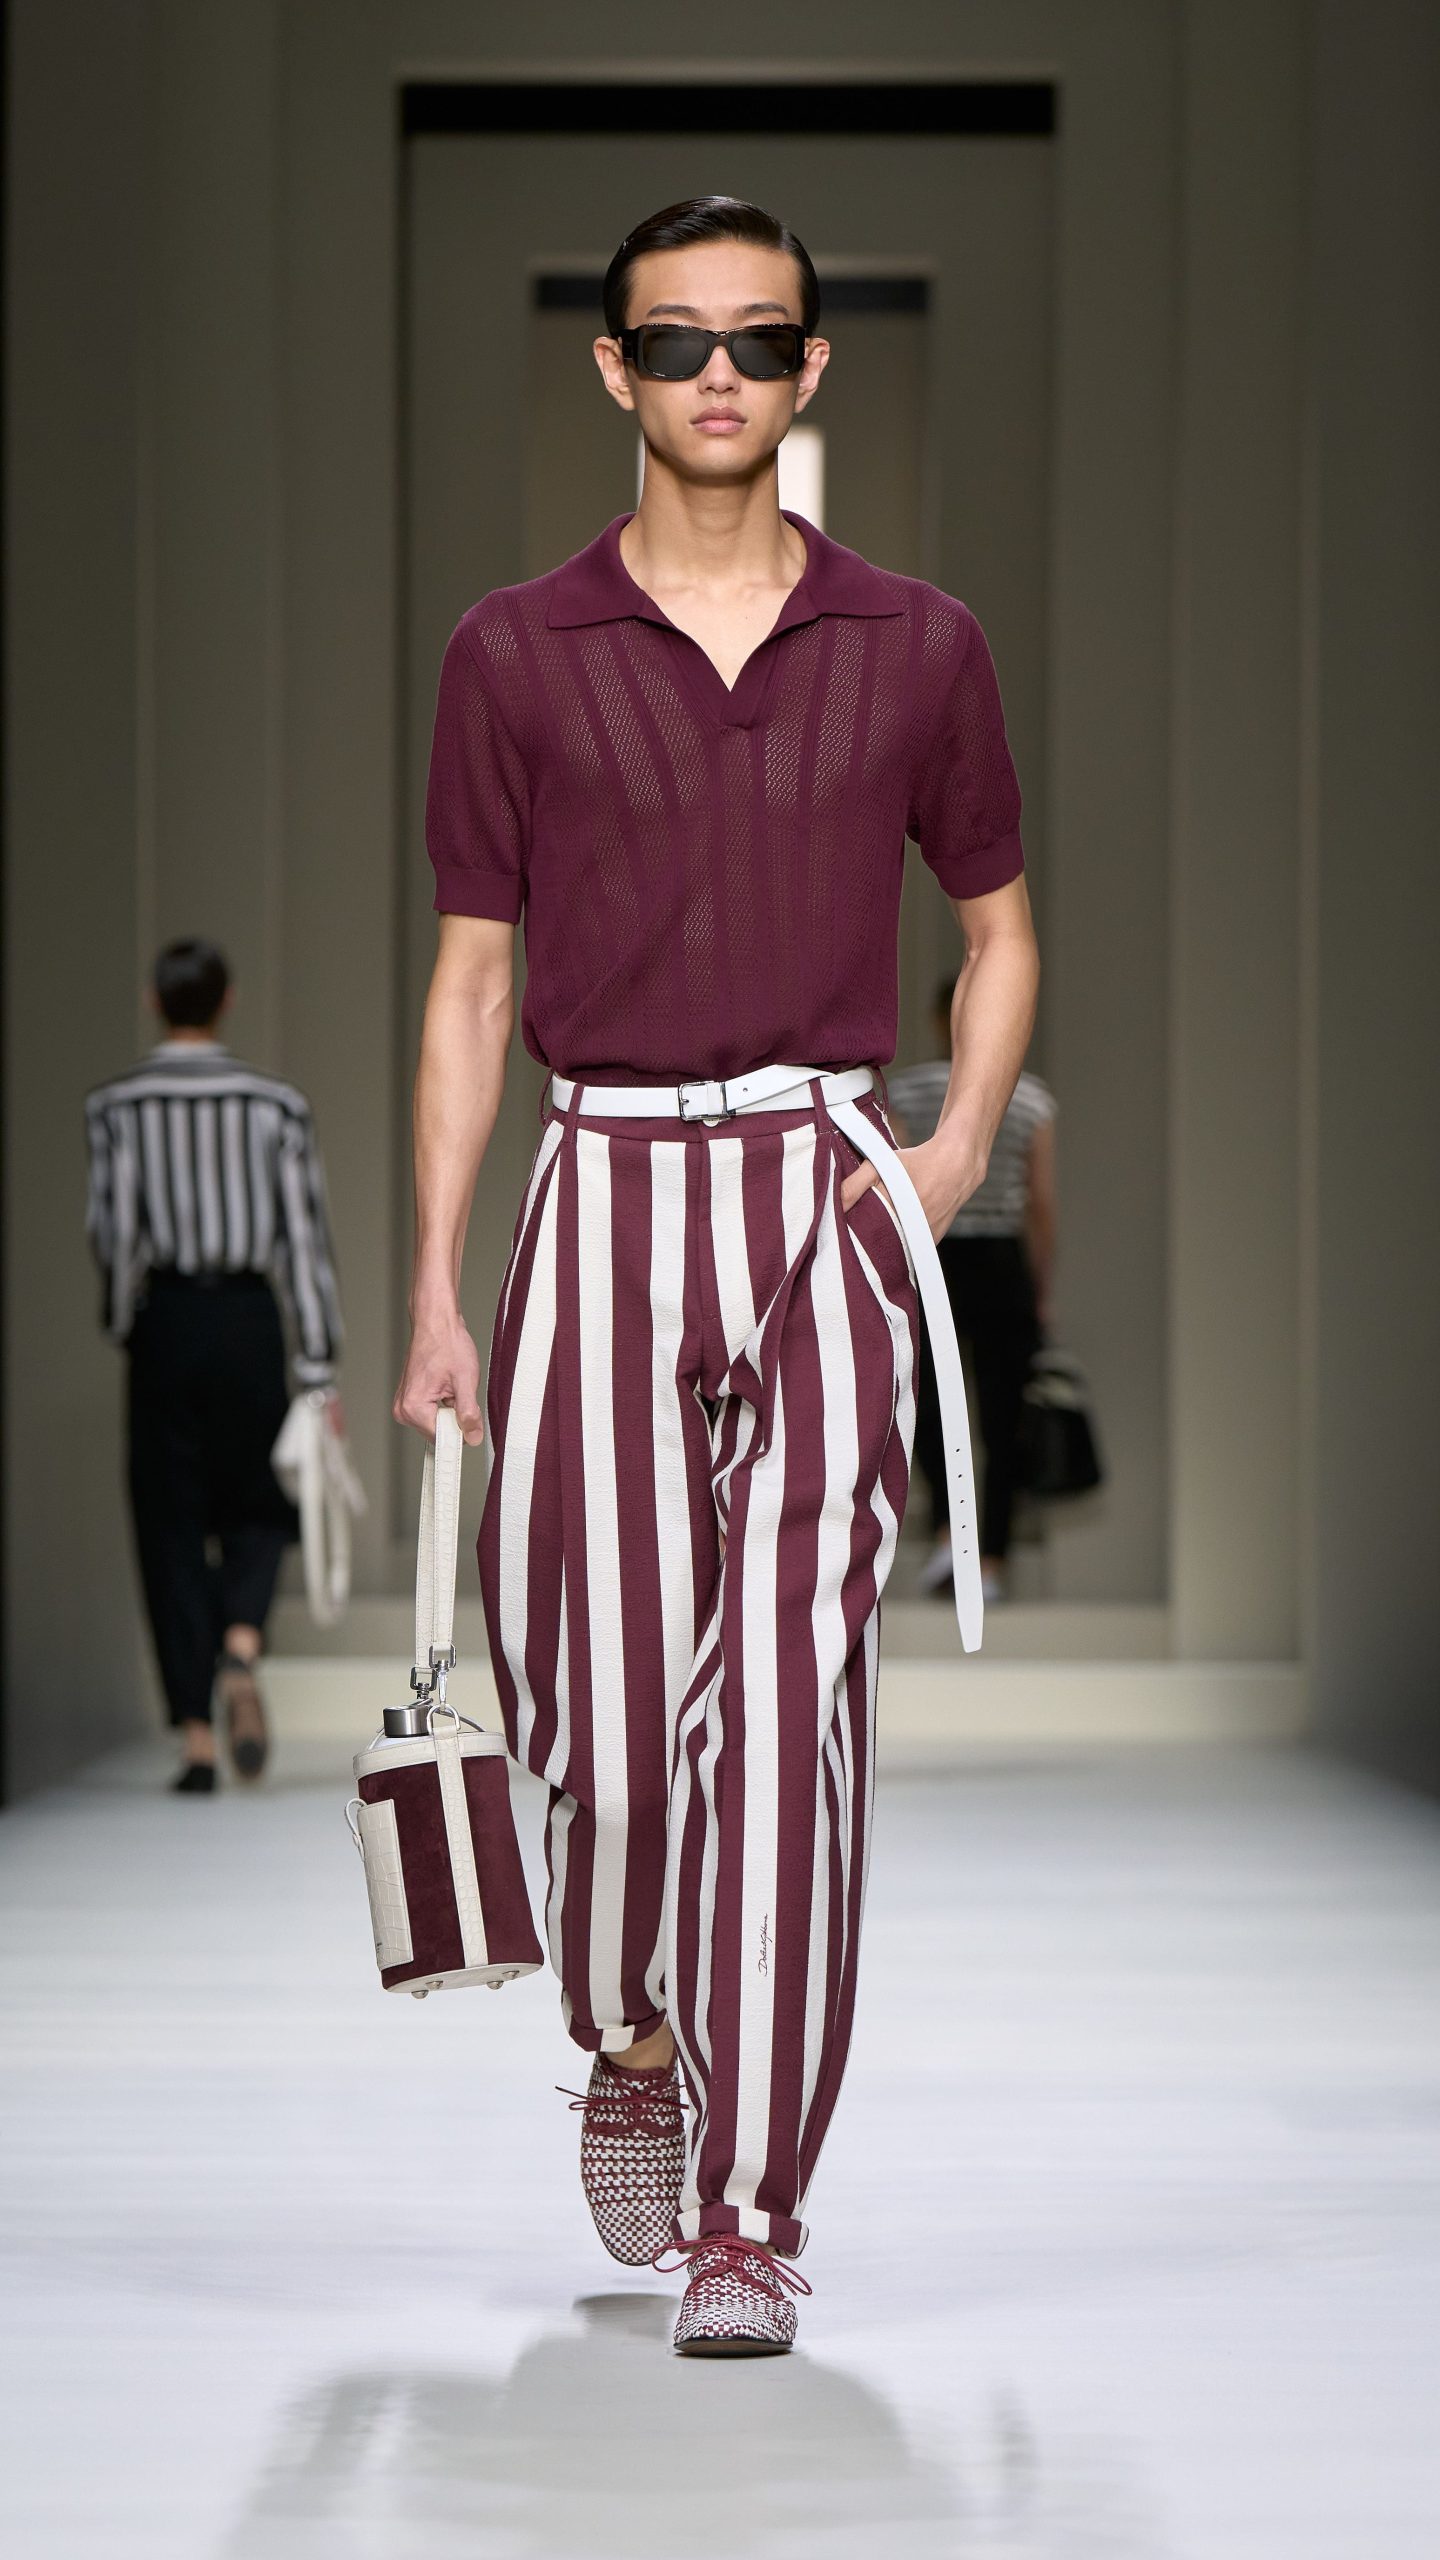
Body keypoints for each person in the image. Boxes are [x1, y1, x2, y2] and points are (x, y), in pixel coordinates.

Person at [395, 196, 1039, 2356]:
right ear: (614, 370)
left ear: (811, 365)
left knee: (784, 1716)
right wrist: (436, 1283)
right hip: (596, 1191)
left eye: (758, 341)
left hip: (821, 1204)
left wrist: (951, 1145)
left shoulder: (919, 643)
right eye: (675, 343)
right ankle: (630, 2030)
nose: (718, 378)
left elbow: (1001, 932)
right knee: (594, 1729)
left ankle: (753, 2211)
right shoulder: (514, 651)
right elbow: (469, 986)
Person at [85, 939, 344, 1793]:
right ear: (227, 999)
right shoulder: (276, 1106)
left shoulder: (118, 1106)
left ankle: (198, 1740)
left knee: (168, 1518)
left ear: (152, 999)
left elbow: (114, 1234)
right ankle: (240, 1646)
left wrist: (125, 1323)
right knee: (260, 1498)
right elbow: (305, 1241)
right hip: (247, 1319)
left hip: (166, 1318)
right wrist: (319, 1365)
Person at [888, 982, 1057, 1602]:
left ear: (940, 1019)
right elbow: (1041, 1203)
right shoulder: (1030, 1097)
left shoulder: (907, 1090)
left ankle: (946, 1536)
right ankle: (992, 1560)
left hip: (936, 1253)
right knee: (1004, 1414)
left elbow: (900, 1190)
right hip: (1002, 1260)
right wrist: (1042, 1284)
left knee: (931, 1401)